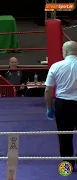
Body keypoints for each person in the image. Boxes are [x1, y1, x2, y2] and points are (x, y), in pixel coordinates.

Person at [45, 41, 77, 170]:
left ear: (64, 51)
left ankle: (67, 165)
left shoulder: (56, 66)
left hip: (63, 104)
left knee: (64, 135)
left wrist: (49, 108)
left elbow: (48, 90)